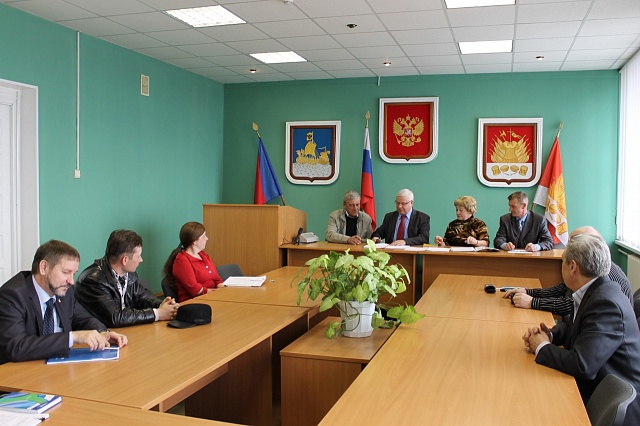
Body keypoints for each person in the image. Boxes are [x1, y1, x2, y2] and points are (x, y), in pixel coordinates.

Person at [522, 234, 640, 424]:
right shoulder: (596, 290)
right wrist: (550, 335)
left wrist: (541, 346)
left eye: (562, 262)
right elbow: (577, 328)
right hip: (596, 385)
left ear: (573, 267)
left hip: (607, 402)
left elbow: (582, 365)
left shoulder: (606, 303)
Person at [0, 240, 127, 364]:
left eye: (74, 274)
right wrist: (73, 337)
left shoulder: (64, 291)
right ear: (44, 268)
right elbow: (16, 347)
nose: (71, 281)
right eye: (66, 272)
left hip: (56, 368)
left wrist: (102, 333)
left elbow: (85, 319)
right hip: (19, 372)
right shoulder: (12, 296)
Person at [504, 226, 632, 315]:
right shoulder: (591, 268)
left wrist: (532, 302)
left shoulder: (604, 275)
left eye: (572, 243)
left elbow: (573, 305)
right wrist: (528, 292)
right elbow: (564, 288)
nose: (568, 248)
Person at [76, 230, 179, 328]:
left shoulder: (129, 273)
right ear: (125, 260)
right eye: (138, 256)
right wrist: (157, 313)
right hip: (102, 334)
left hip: (125, 329)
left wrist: (165, 305)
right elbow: (115, 317)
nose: (141, 260)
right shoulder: (93, 280)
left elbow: (143, 297)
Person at [163, 222, 223, 302]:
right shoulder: (182, 260)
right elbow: (195, 289)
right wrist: (216, 293)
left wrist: (221, 288)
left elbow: (217, 278)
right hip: (193, 301)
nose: (207, 238)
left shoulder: (203, 255)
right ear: (194, 241)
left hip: (212, 297)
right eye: (204, 236)